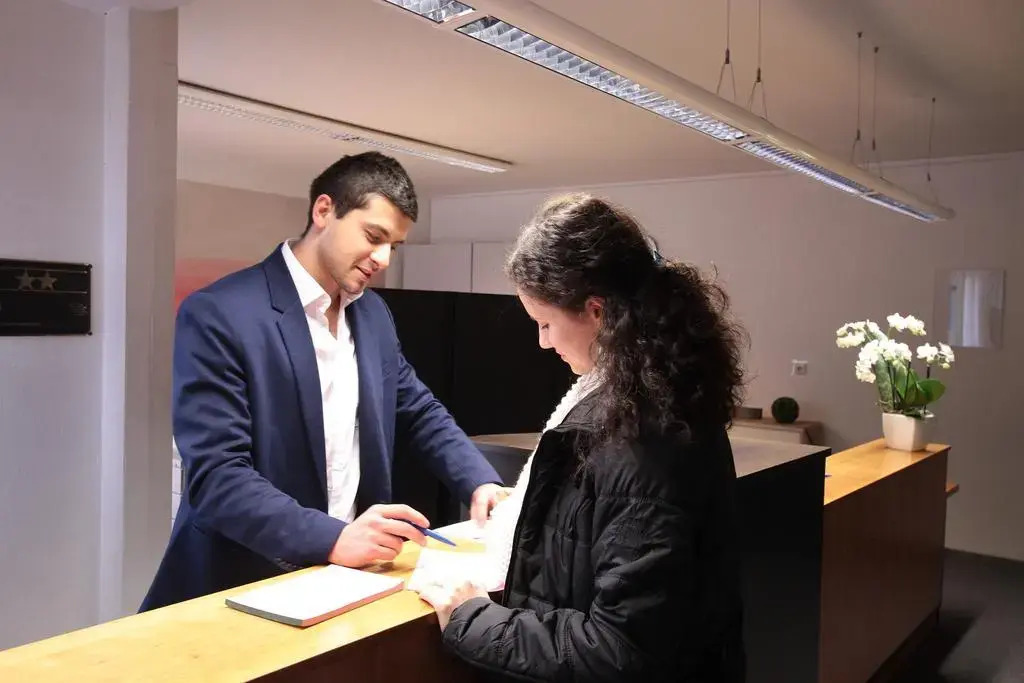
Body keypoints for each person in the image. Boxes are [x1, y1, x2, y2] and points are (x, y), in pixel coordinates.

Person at [142, 152, 505, 611]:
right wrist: (333, 538)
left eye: (394, 246)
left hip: (351, 579)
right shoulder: (220, 313)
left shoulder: (372, 314)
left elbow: (417, 409)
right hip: (241, 581)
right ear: (324, 211)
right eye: (373, 237)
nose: (383, 259)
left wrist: (478, 481)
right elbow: (218, 477)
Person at [416, 194, 747, 682]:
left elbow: (620, 648)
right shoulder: (655, 394)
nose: (543, 341)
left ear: (597, 312)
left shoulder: (643, 436)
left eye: (546, 323)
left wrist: (474, 621)